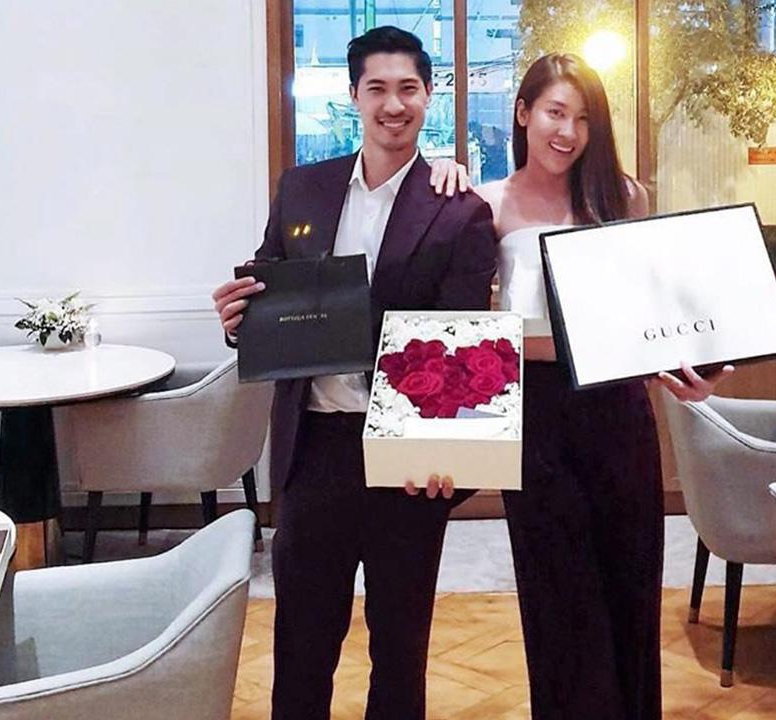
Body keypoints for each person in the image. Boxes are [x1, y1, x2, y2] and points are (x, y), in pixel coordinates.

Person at [430, 53, 730, 719]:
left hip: (618, 411)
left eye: (583, 118)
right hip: (537, 417)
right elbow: (468, 328)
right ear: (523, 114)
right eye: (555, 112)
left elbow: (652, 316)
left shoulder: (623, 197)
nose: (567, 132)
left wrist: (691, 365)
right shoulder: (486, 204)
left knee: (630, 589)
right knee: (559, 602)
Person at [210, 26, 496, 720]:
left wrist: (452, 458)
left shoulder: (460, 210)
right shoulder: (302, 189)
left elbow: (464, 344)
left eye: (408, 89)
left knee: (401, 648)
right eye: (378, 89)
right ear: (353, 96)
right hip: (313, 452)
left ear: (429, 95)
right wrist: (238, 318)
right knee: (301, 646)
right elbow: (269, 290)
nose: (393, 105)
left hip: (406, 459)